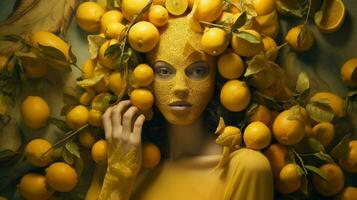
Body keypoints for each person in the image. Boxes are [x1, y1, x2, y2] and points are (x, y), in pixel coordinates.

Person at [92, 15, 274, 200]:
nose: (180, 87)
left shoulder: (246, 169)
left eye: (197, 71)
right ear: (141, 79)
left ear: (217, 77)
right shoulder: (117, 161)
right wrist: (119, 175)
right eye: (164, 71)